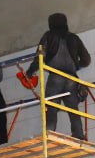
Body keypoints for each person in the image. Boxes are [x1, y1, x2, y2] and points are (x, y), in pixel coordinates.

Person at [27, 13, 91, 141]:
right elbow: (87, 60)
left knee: (51, 107)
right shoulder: (74, 38)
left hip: (55, 77)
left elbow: (40, 57)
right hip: (71, 78)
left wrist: (30, 72)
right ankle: (79, 135)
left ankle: (49, 135)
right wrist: (75, 66)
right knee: (73, 108)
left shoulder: (48, 36)